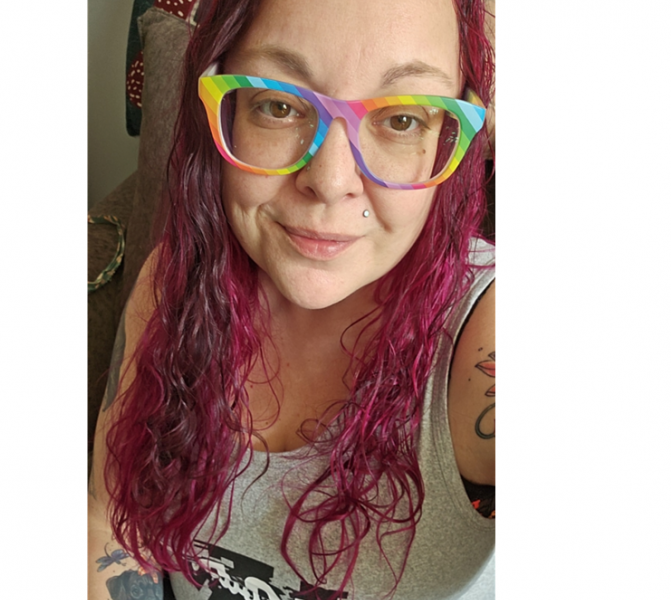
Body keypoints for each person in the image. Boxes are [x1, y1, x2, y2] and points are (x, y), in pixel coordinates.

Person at [88, 0, 495, 597]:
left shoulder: (486, 339)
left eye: (404, 119)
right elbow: (110, 526)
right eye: (278, 105)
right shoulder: (171, 287)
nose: (329, 181)